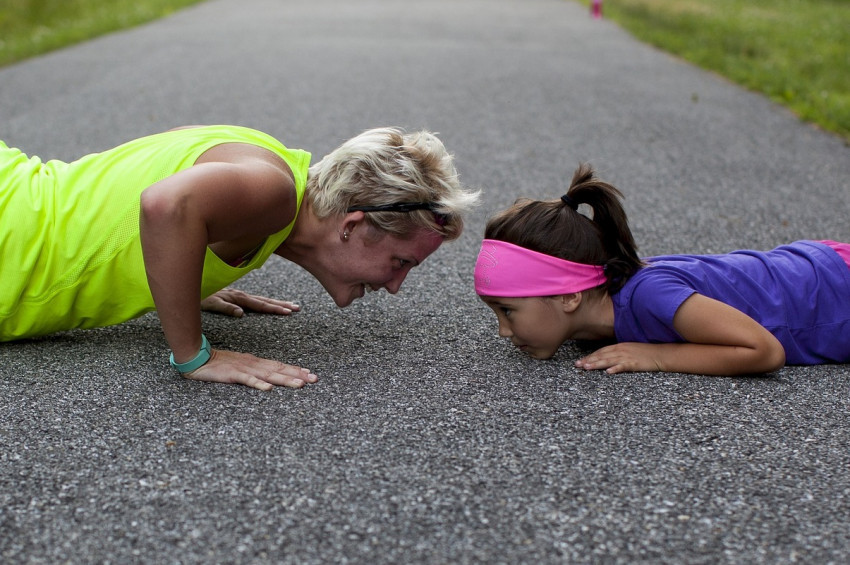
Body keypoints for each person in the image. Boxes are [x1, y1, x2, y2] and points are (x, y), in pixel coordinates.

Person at [1, 125, 479, 389]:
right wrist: (193, 354)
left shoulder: (270, 170)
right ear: (353, 225)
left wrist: (181, 279)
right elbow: (166, 205)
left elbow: (141, 196)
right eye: (401, 263)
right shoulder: (274, 190)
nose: (395, 286)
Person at [474, 163, 850, 376]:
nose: (504, 331)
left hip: (838, 290)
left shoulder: (650, 295)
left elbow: (764, 350)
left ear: (570, 295)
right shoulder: (598, 310)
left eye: (508, 311)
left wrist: (656, 357)